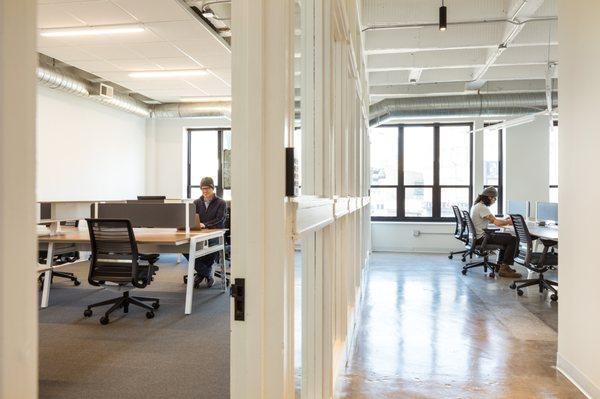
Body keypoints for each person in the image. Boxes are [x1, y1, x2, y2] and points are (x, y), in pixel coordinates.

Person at [184, 176, 227, 288]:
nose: (205, 191)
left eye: (207, 188)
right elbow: (192, 218)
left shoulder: (221, 203)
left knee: (211, 245)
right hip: (198, 233)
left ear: (212, 188)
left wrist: (205, 225)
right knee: (185, 247)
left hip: (214, 234)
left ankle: (202, 273)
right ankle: (207, 273)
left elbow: (220, 219)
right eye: (203, 188)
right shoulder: (197, 202)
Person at [470, 187, 522, 278]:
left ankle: (500, 265)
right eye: (495, 198)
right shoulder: (482, 208)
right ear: (490, 197)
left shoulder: (477, 206)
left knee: (508, 237)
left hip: (478, 237)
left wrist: (504, 220)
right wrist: (511, 222)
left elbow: (493, 220)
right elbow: (497, 223)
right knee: (513, 239)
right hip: (482, 238)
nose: (494, 201)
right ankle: (504, 268)